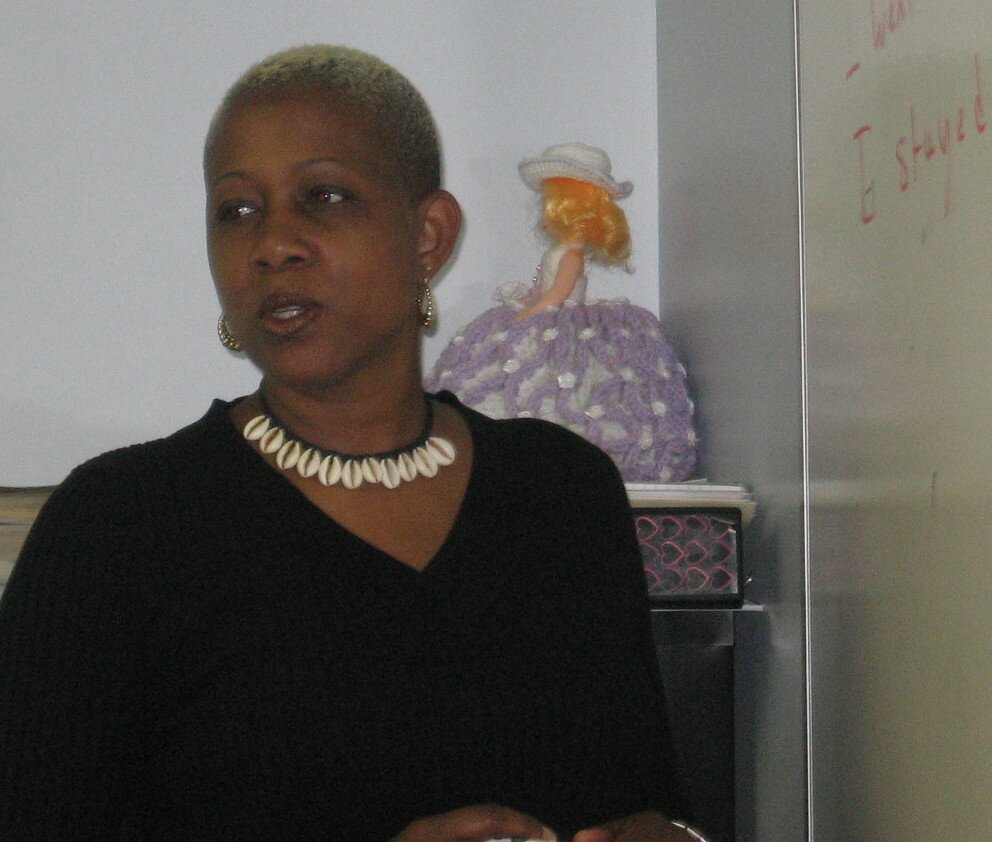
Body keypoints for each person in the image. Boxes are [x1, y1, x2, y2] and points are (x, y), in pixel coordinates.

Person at [0, 45, 700, 841]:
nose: (273, 244)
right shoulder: (117, 527)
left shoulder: (562, 492)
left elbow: (649, 799)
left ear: (429, 236)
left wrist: (672, 834)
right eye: (237, 211)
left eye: (323, 197)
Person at [425, 144, 697, 486]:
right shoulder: (562, 249)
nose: (543, 209)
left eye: (549, 201)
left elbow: (558, 294)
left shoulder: (572, 255)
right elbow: (545, 289)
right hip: (549, 316)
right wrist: (524, 298)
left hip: (561, 323)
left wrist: (532, 313)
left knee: (566, 384)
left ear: (569, 207)